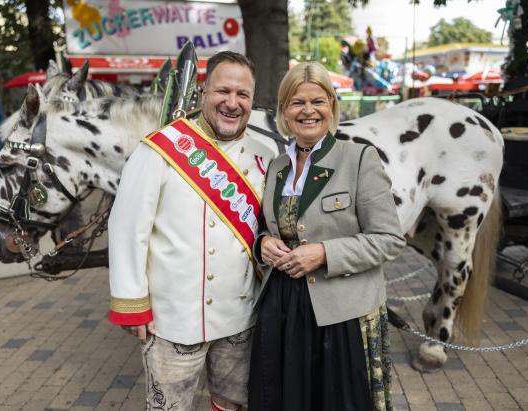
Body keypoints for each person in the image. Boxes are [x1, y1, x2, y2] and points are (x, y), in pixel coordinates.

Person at [107, 51, 276, 411]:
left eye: (243, 95)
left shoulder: (266, 154)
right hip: (172, 320)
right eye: (223, 91)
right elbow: (127, 227)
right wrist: (132, 302)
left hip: (240, 317)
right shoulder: (159, 150)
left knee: (232, 404)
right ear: (203, 92)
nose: (233, 103)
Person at [248, 62, 406, 411]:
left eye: (318, 101)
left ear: (332, 106)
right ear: (284, 111)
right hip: (282, 307)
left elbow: (389, 239)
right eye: (296, 102)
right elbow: (270, 226)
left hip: (340, 314)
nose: (308, 111)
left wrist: (324, 253)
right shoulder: (277, 167)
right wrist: (263, 244)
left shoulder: (359, 158)